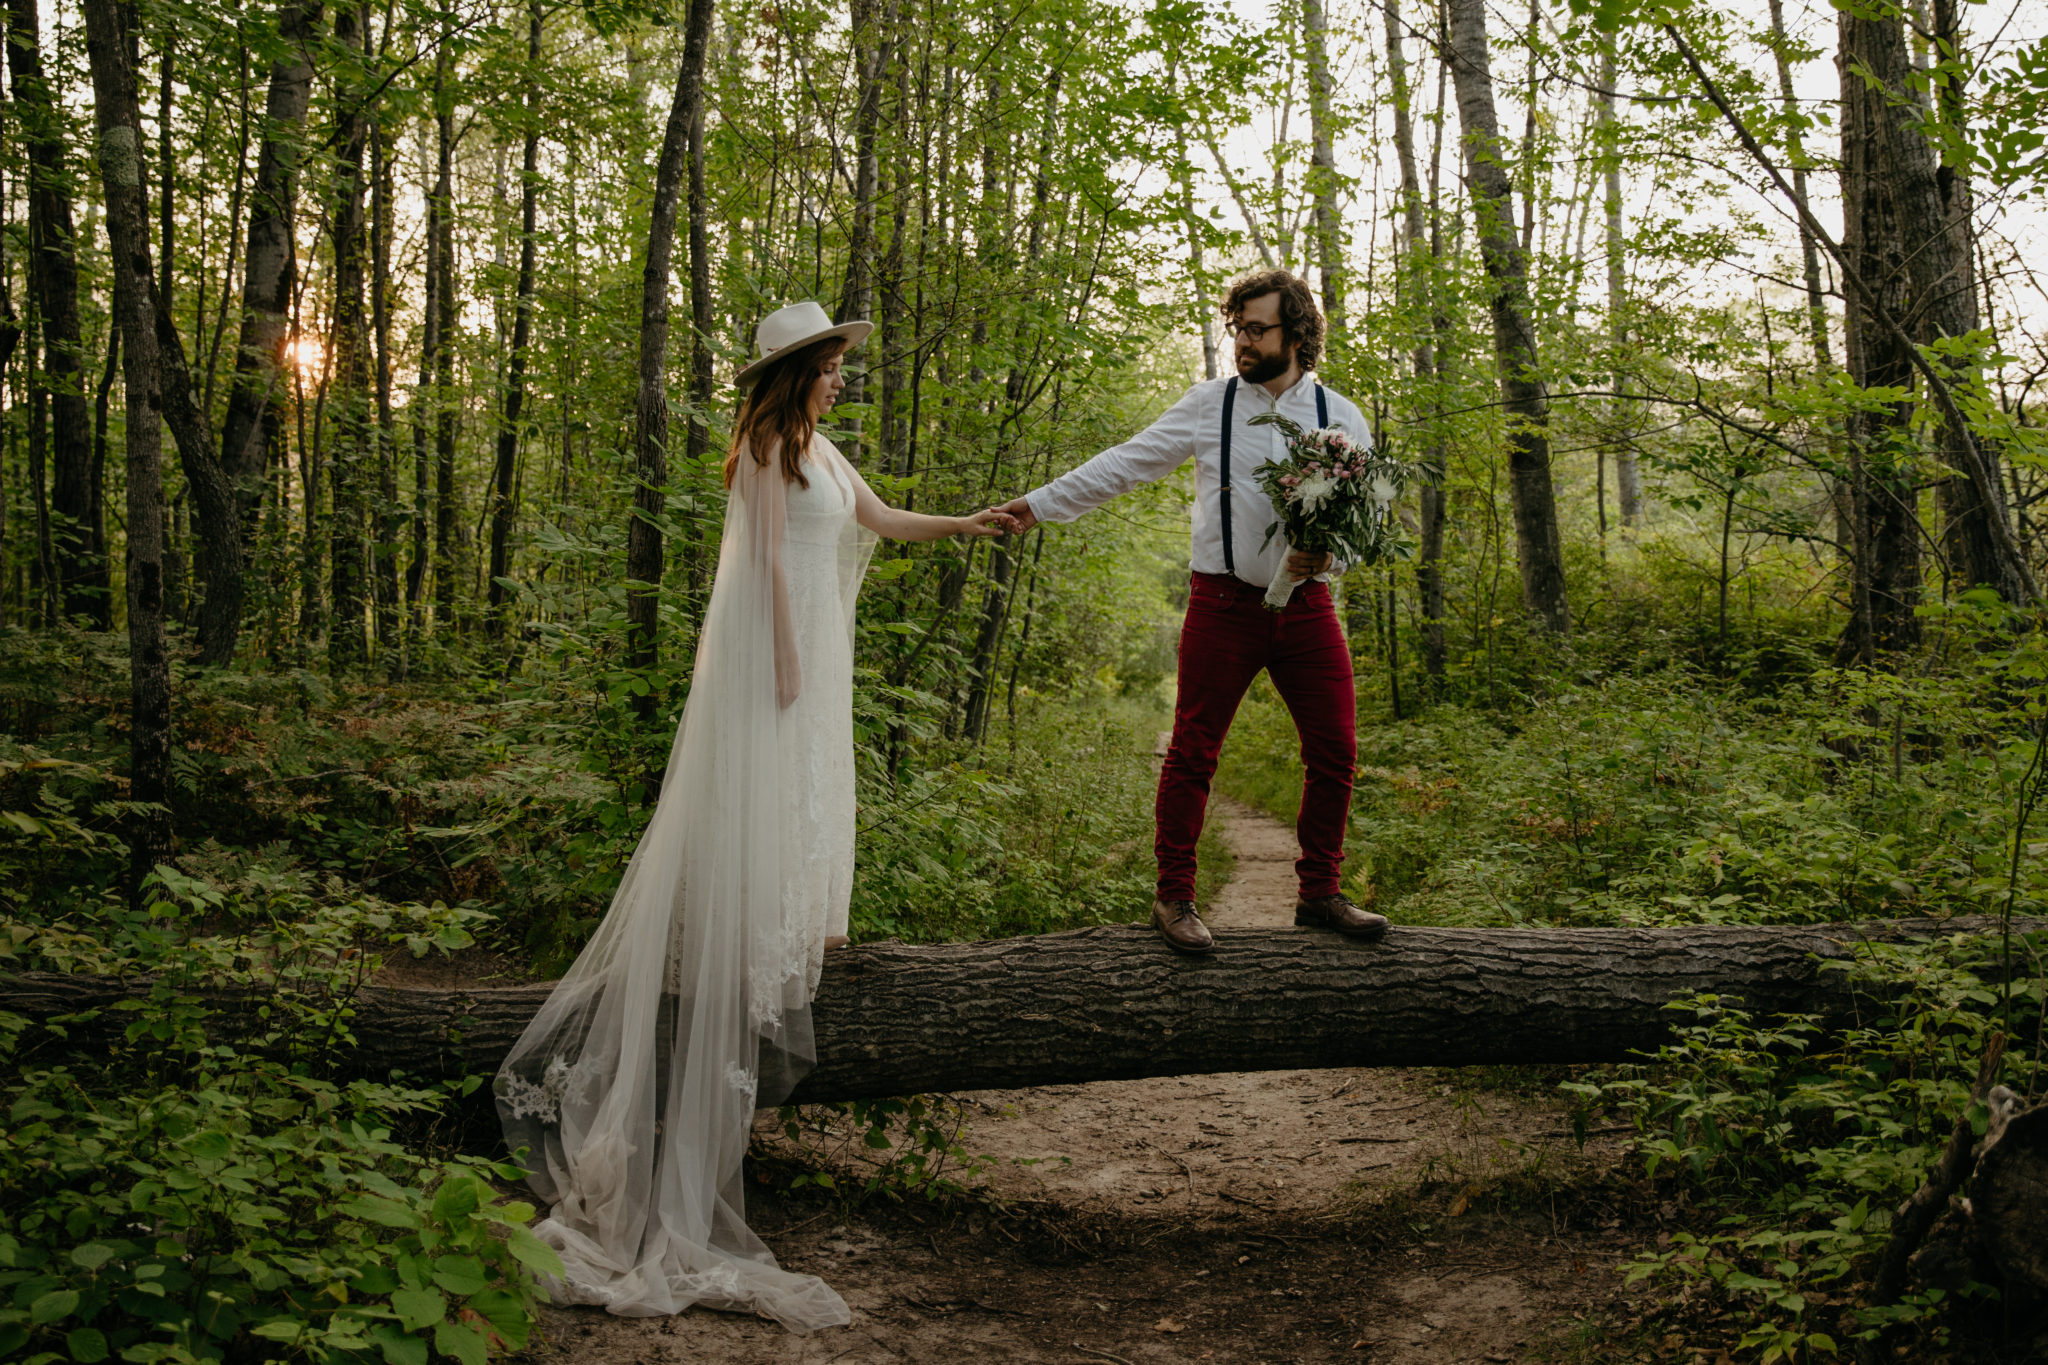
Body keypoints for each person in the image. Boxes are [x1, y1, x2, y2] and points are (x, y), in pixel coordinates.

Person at [496, 301, 1008, 1332]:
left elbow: (879, 522)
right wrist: (782, 657)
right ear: (792, 375)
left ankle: (793, 922)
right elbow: (768, 562)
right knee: (775, 791)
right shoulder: (767, 450)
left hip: (810, 666)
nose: (836, 382)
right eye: (825, 369)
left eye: (836, 371)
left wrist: (966, 524)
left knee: (815, 793)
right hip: (776, 663)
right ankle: (752, 941)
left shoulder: (824, 451)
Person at [995, 269, 1387, 956]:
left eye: (1256, 328)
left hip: (1307, 609)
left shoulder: (1342, 417)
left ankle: (1319, 893)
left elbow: (1369, 523)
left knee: (1337, 751)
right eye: (1236, 327)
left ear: (1296, 333)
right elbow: (1127, 463)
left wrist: (1330, 561)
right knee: (1192, 751)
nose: (1241, 339)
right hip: (1223, 605)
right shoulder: (1211, 405)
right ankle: (1174, 895)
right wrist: (1037, 504)